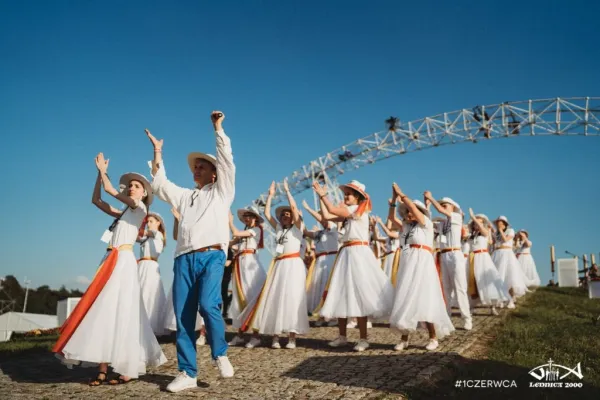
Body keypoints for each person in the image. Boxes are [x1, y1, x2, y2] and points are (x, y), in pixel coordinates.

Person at [53, 153, 166, 385]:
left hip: (123, 262)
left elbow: (112, 192)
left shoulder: (140, 210)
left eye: (137, 186)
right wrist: (99, 175)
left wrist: (105, 173)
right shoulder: (124, 213)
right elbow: (97, 200)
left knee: (121, 312)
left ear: (144, 194)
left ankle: (127, 366)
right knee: (104, 311)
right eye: (131, 186)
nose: (132, 189)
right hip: (109, 260)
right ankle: (103, 367)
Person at [145, 111, 235, 393]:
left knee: (209, 306)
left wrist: (218, 130)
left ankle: (219, 352)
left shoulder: (222, 192)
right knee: (184, 319)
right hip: (183, 257)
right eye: (195, 167)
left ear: (213, 172)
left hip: (212, 255)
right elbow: (160, 185)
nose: (196, 170)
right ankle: (187, 373)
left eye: (202, 167)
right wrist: (158, 152)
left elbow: (227, 161)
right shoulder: (185, 196)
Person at [312, 180, 394, 351]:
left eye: (349, 193)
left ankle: (363, 338)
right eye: (346, 193)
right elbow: (327, 216)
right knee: (341, 293)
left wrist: (323, 195)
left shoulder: (357, 212)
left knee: (360, 294)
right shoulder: (351, 212)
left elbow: (333, 210)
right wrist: (321, 198)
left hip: (358, 253)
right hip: (346, 253)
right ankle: (342, 336)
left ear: (357, 197)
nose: (346, 195)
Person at [237, 180, 310, 349]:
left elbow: (294, 210)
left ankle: (292, 337)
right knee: (277, 297)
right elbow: (267, 212)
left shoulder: (298, 228)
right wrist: (270, 195)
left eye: (288, 214)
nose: (285, 216)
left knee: (292, 297)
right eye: (282, 214)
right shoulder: (278, 229)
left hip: (293, 264)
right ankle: (276, 336)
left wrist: (287, 192)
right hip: (279, 265)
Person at [388, 183, 455, 351]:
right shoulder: (406, 227)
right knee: (406, 297)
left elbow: (413, 209)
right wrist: (394, 201)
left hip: (423, 262)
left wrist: (402, 194)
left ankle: (433, 337)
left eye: (412, 211)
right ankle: (404, 338)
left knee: (425, 298)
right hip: (408, 262)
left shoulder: (426, 223)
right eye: (408, 212)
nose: (409, 213)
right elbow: (390, 219)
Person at [424, 193, 472, 330]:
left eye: (446, 204)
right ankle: (447, 317)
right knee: (445, 288)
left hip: (456, 253)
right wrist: (427, 205)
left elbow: (440, 210)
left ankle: (466, 318)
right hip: (443, 255)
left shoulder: (457, 217)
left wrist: (432, 199)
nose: (443, 206)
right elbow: (427, 221)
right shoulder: (442, 223)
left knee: (460, 287)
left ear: (453, 207)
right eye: (442, 204)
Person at [227, 208, 268, 348]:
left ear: (255, 218)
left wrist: (230, 222)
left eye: (250, 216)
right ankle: (240, 334)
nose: (247, 218)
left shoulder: (256, 230)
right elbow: (230, 243)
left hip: (250, 263)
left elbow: (236, 232)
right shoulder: (244, 234)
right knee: (239, 299)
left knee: (252, 298)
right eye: (245, 216)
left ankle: (256, 336)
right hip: (240, 264)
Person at [137, 212, 168, 336]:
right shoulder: (146, 238)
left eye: (151, 221)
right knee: (139, 293)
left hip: (150, 266)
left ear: (158, 223)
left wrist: (142, 230)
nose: (148, 224)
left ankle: (149, 326)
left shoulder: (157, 234)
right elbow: (136, 237)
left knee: (149, 294)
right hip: (141, 266)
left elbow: (147, 233)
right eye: (147, 221)